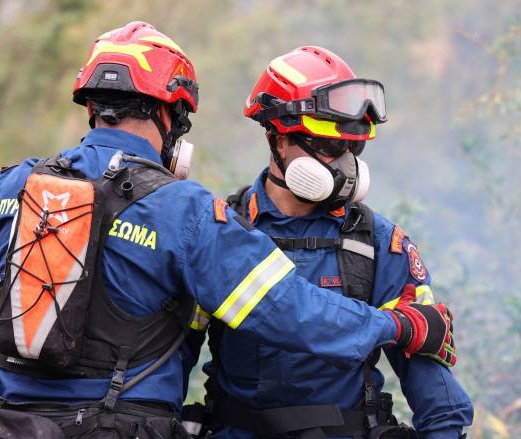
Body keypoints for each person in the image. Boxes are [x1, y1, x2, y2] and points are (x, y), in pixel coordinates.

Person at [0, 24, 456, 439]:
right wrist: (399, 325)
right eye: (322, 145)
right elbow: (289, 311)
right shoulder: (188, 214)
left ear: (92, 106)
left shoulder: (13, 186)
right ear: (170, 112)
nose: (343, 163)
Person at [198, 47, 473, 439]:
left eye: (352, 148)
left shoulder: (379, 243)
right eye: (328, 147)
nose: (343, 165)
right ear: (277, 139)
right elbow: (168, 360)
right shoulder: (222, 232)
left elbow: (440, 402)